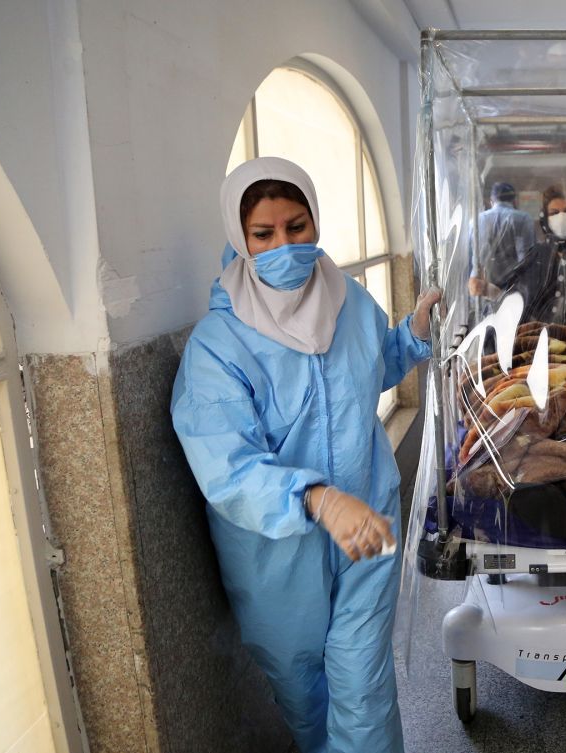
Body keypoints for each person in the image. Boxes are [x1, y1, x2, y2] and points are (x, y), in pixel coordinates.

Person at [170, 157, 439, 753]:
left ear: (316, 221)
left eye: (297, 227)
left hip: (366, 520)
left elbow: (374, 369)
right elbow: (228, 468)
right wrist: (315, 498)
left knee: (362, 682)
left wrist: (413, 333)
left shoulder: (349, 300)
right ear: (240, 240)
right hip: (275, 556)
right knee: (302, 691)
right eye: (263, 235)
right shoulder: (218, 347)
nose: (283, 245)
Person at [468, 186, 566, 347]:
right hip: (545, 347)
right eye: (554, 213)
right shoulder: (539, 255)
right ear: (545, 218)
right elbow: (517, 294)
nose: (562, 216)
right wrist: (487, 289)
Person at [473, 181, 535, 289]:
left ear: (491, 201)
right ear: (514, 200)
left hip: (482, 287)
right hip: (514, 288)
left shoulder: (477, 220)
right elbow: (526, 257)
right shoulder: (523, 219)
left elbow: (473, 258)